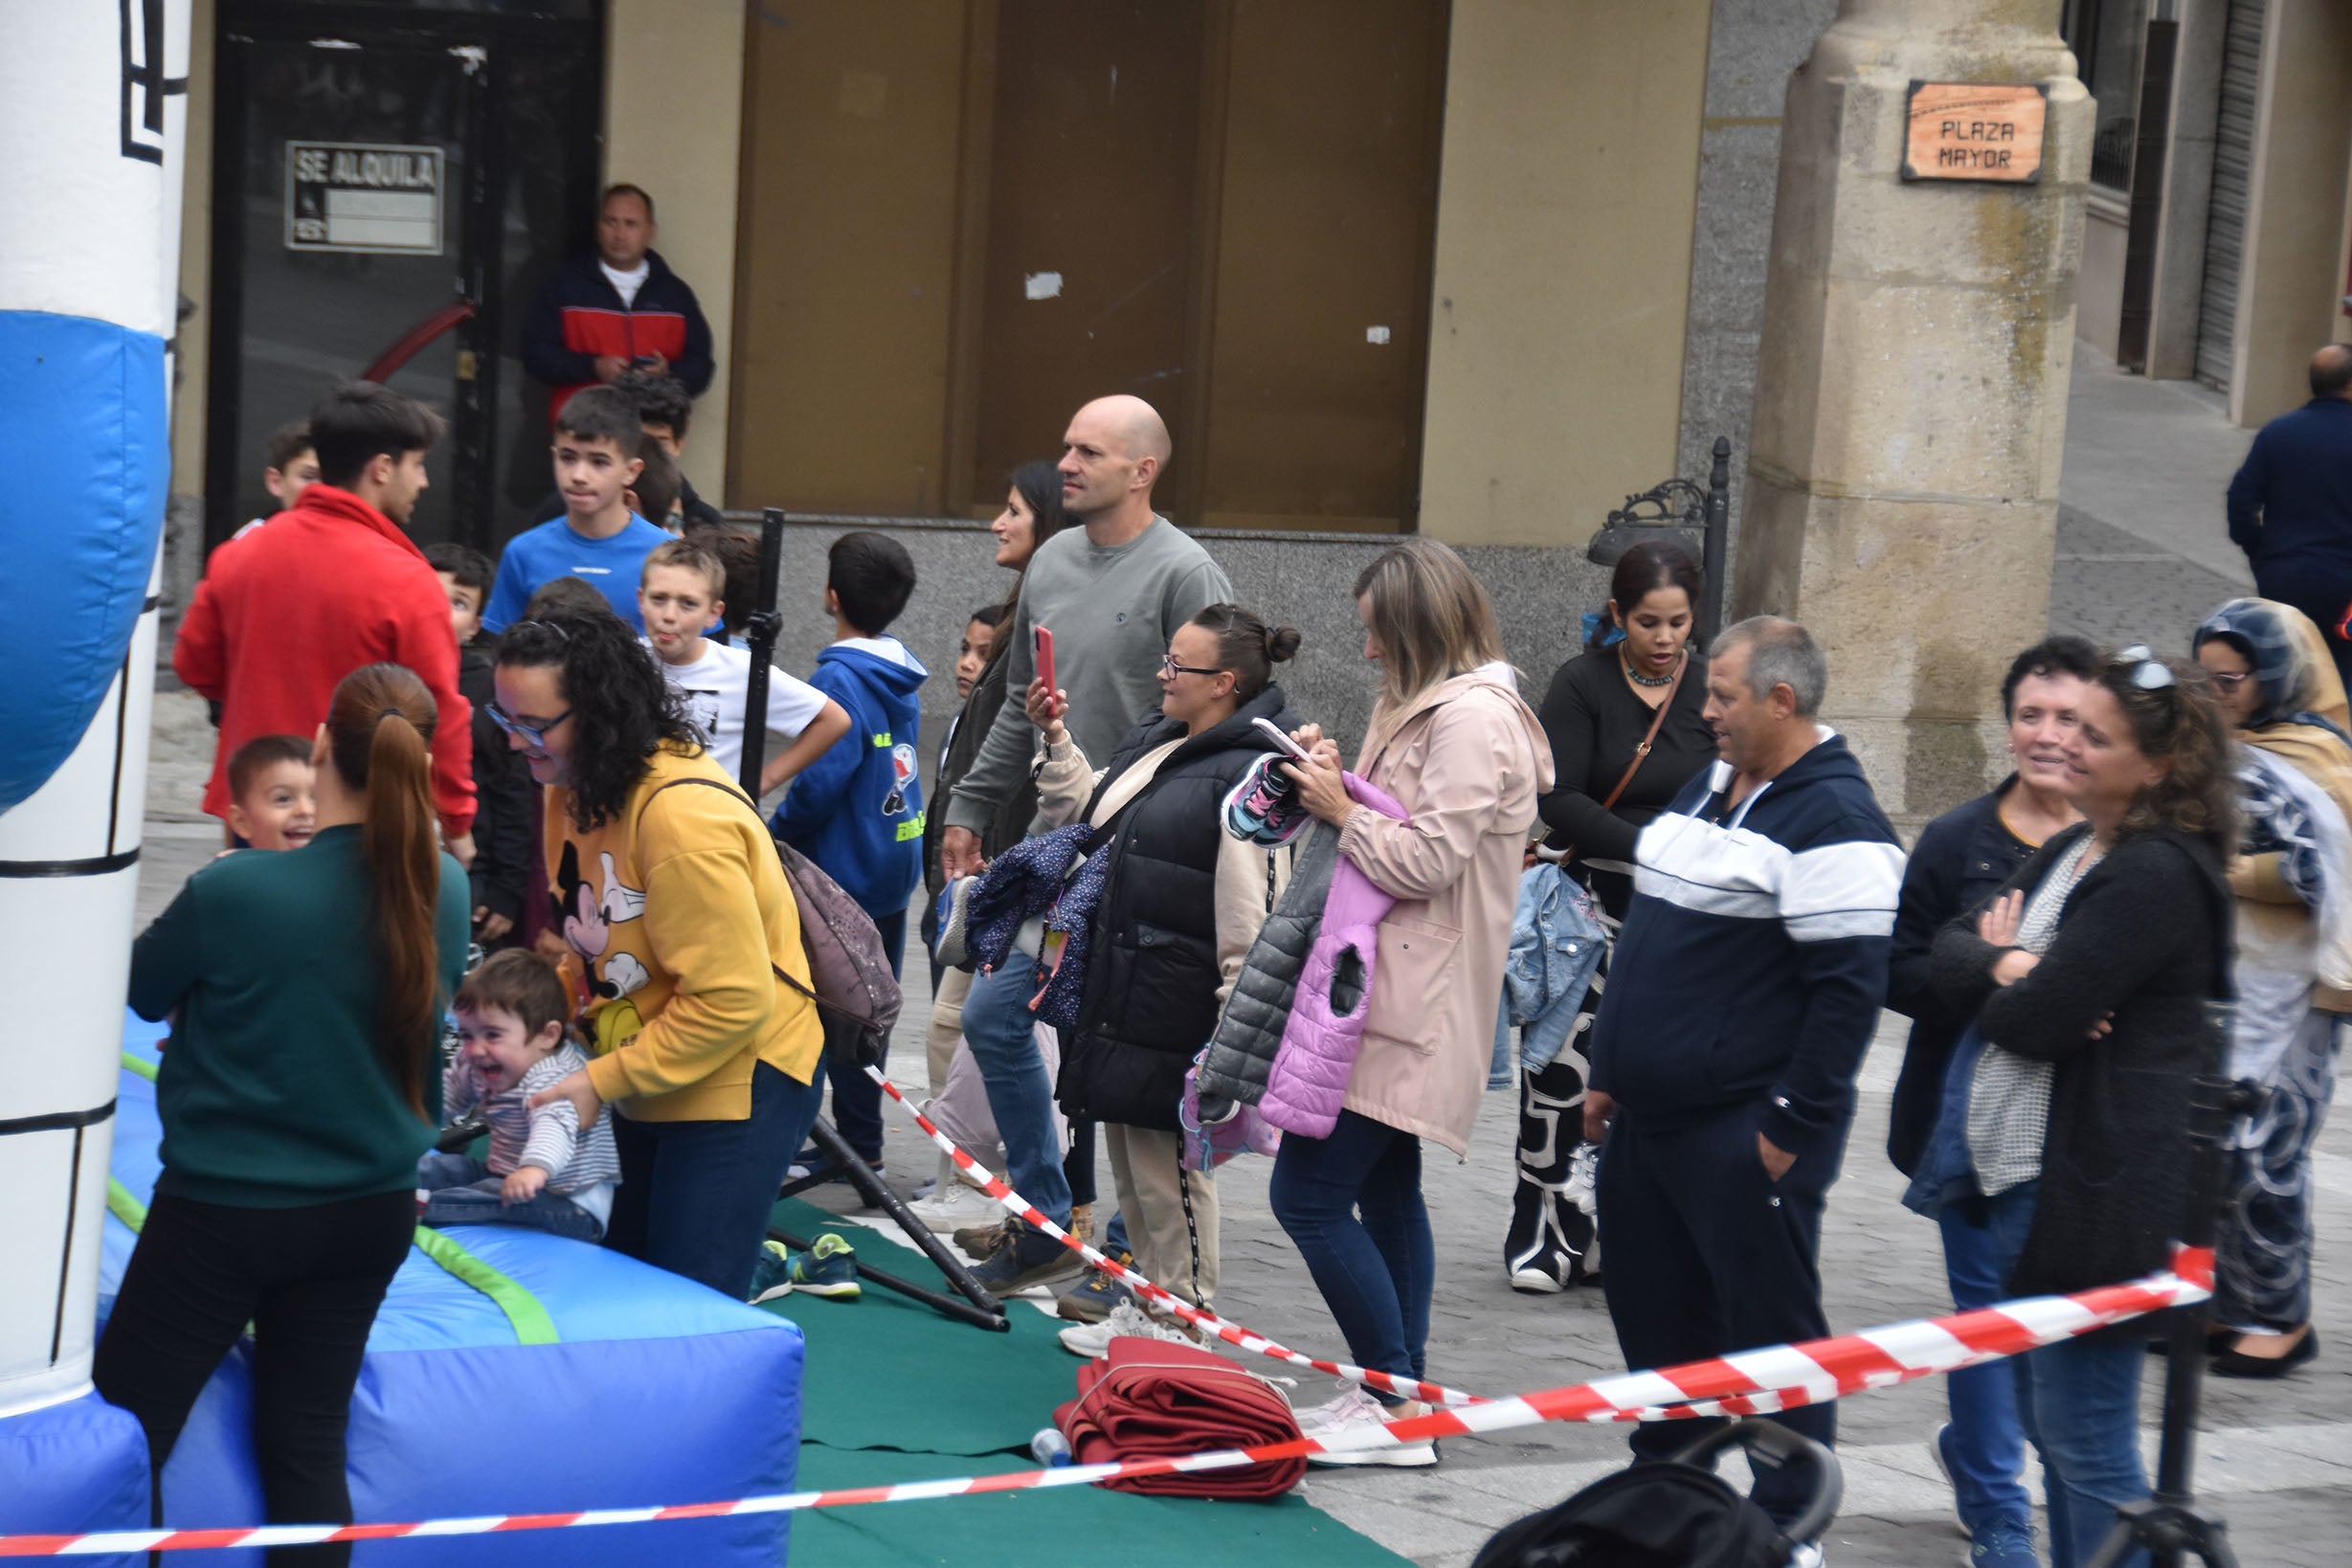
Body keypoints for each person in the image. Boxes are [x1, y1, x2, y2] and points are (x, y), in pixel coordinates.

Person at [98, 663, 471, 1567]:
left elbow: (137, 990)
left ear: (318, 751)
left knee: (126, 1438)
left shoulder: (239, 891)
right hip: (369, 1209)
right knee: (306, 1447)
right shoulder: (443, 890)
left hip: (226, 1212)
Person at [1583, 616, 1904, 1526]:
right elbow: (1648, 937)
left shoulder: (1838, 819)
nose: (1704, 709)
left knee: (1769, 1344)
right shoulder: (1709, 784)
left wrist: (1785, 1132)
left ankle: (1790, 1526)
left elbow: (1848, 997)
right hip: (1649, 1123)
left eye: (1721, 695)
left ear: (1781, 700)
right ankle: (1667, 1516)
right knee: (1659, 1339)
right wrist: (1609, 1068)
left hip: (1740, 1133)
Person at [1929, 646, 2235, 1568]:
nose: (2065, 744)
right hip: (2034, 1175)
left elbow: (2038, 1023)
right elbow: (1950, 947)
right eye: (2063, 723)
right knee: (2055, 1427)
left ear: (2159, 767)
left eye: (2094, 736)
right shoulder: (2076, 846)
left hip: (2099, 1192)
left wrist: (2021, 982)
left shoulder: (2152, 875)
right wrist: (2013, 964)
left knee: (2086, 1435)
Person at [936, 399, 1231, 1294]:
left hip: (1142, 859)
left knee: (1120, 1062)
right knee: (992, 1020)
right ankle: (1048, 1217)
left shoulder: (1186, 570)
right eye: (1064, 444)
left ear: (1142, 469)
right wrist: (970, 804)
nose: (1063, 463)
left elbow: (1223, 709)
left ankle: (1142, 1261)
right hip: (1052, 845)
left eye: (1087, 451)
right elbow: (1018, 696)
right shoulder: (1056, 558)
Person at [1266, 538, 1550, 1466]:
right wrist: (1336, 781)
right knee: (1386, 1196)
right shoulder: (1432, 703)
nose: (1367, 652)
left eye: (1377, 634)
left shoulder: (1472, 719)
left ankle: (1390, 1397)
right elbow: (1404, 830)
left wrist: (1343, 809)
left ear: (1416, 629)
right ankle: (1398, 1395)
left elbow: (1426, 857)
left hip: (1409, 999)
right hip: (1389, 991)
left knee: (1307, 1198)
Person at [501, 607, 825, 1299]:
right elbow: (588, 940)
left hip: (739, 1077)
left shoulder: (682, 818)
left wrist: (596, 1081)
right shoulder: (569, 781)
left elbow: (732, 1001)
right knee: (623, 1280)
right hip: (651, 1066)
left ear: (598, 713)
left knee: (687, 1305)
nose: (514, 743)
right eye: (506, 721)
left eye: (532, 726)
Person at [1026, 605, 1304, 1357]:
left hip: (1179, 996)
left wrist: (1231, 1025)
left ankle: (1182, 1318)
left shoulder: (1256, 771)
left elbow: (1256, 912)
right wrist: (1055, 738)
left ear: (1225, 682)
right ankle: (1148, 1300)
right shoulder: (1162, 741)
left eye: (1178, 666)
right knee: (1134, 1161)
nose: (1162, 675)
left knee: (1172, 1170)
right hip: (1128, 980)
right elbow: (1093, 818)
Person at [1887, 634, 2098, 1567]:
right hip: (1965, 1122)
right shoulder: (1958, 840)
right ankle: (2002, 1520)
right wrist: (1995, 976)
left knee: (2050, 1319)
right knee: (1988, 1315)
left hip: (2084, 1133)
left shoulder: (2120, 853)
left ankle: (1977, 1449)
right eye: (2031, 715)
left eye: (2070, 719)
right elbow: (1894, 966)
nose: (2048, 736)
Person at [1509, 541, 1716, 1291]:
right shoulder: (1581, 684)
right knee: (1562, 1075)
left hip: (1684, 923)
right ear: (1617, 616)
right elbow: (1555, 797)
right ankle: (1542, 1232)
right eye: (1648, 622)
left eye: (1678, 623)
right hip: (1587, 915)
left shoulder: (1713, 688)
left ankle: (1619, 1235)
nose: (1664, 640)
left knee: (1651, 1082)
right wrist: (1647, 845)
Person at [172, 381, 476, 861]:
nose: (423, 481)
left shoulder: (239, 554)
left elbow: (194, 667)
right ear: (382, 469)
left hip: (257, 807)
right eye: (418, 465)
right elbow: (439, 714)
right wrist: (457, 821)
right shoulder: (407, 580)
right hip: (354, 818)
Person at [2192, 599, 2352, 1378]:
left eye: (2231, 678)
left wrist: (2222, 874)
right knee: (2206, 1148)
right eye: (2206, 677)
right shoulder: (2217, 747)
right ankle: (2218, 1301)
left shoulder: (2320, 758)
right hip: (2227, 982)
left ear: (2276, 674)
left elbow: (2329, 869)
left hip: (2293, 993)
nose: (2216, 692)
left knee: (2264, 1153)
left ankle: (2277, 1316)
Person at [770, 531, 929, 1177]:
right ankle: (863, 1148)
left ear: (831, 596)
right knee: (869, 1013)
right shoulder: (901, 671)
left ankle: (815, 1145)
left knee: (816, 1011)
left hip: (839, 872)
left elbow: (822, 778)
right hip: (891, 865)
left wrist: (775, 830)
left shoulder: (838, 675)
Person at [419, 950, 621, 1241]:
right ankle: (385, 1179)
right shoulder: (480, 1061)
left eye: (492, 1035)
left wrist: (533, 1169)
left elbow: (554, 1129)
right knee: (442, 1167)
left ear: (547, 1036)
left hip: (566, 1203)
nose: (475, 1048)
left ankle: (410, 1206)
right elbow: (447, 1099)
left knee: (489, 1195)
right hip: (504, 1174)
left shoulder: (554, 1081)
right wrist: (414, 1121)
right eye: (467, 1035)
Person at [638, 538, 849, 795]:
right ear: (641, 599)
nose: (669, 615)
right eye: (659, 598)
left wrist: (764, 781)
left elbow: (833, 719)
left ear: (714, 613)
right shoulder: (622, 659)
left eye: (688, 604)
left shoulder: (740, 670)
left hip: (710, 825)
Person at [479, 385, 672, 633]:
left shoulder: (666, 555)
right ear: (553, 456)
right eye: (568, 458)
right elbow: (503, 654)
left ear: (631, 471)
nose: (579, 475)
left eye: (599, 462)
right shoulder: (523, 553)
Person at [519, 183, 714, 425]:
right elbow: (535, 354)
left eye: (631, 224)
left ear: (650, 232)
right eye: (611, 222)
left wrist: (667, 373)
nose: (620, 234)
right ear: (598, 228)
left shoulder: (675, 295)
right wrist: (593, 367)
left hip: (650, 437)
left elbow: (702, 367)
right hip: (583, 436)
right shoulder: (564, 287)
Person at [425, 542, 534, 947]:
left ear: (475, 624)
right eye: (430, 596)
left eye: (458, 603)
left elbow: (513, 792)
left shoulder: (493, 693)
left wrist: (507, 888)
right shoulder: (385, 678)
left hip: (473, 875)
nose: (439, 611)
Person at [2227, 344, 2352, 688]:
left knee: (2284, 674)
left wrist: (2262, 554)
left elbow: (2240, 503)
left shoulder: (2278, 432)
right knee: (2342, 680)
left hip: (2285, 579)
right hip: (2346, 590)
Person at [527, 370, 723, 531]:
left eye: (659, 444)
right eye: (638, 444)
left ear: (679, 442)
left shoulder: (705, 522)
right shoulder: (561, 512)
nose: (648, 458)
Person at [229, 419, 320, 542]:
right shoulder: (249, 541)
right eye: (308, 477)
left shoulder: (351, 536)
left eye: (332, 478)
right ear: (275, 481)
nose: (321, 488)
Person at [223, 734, 317, 852]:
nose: (305, 810)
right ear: (242, 822)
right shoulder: (233, 869)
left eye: (318, 799)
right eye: (283, 799)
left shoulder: (343, 867)